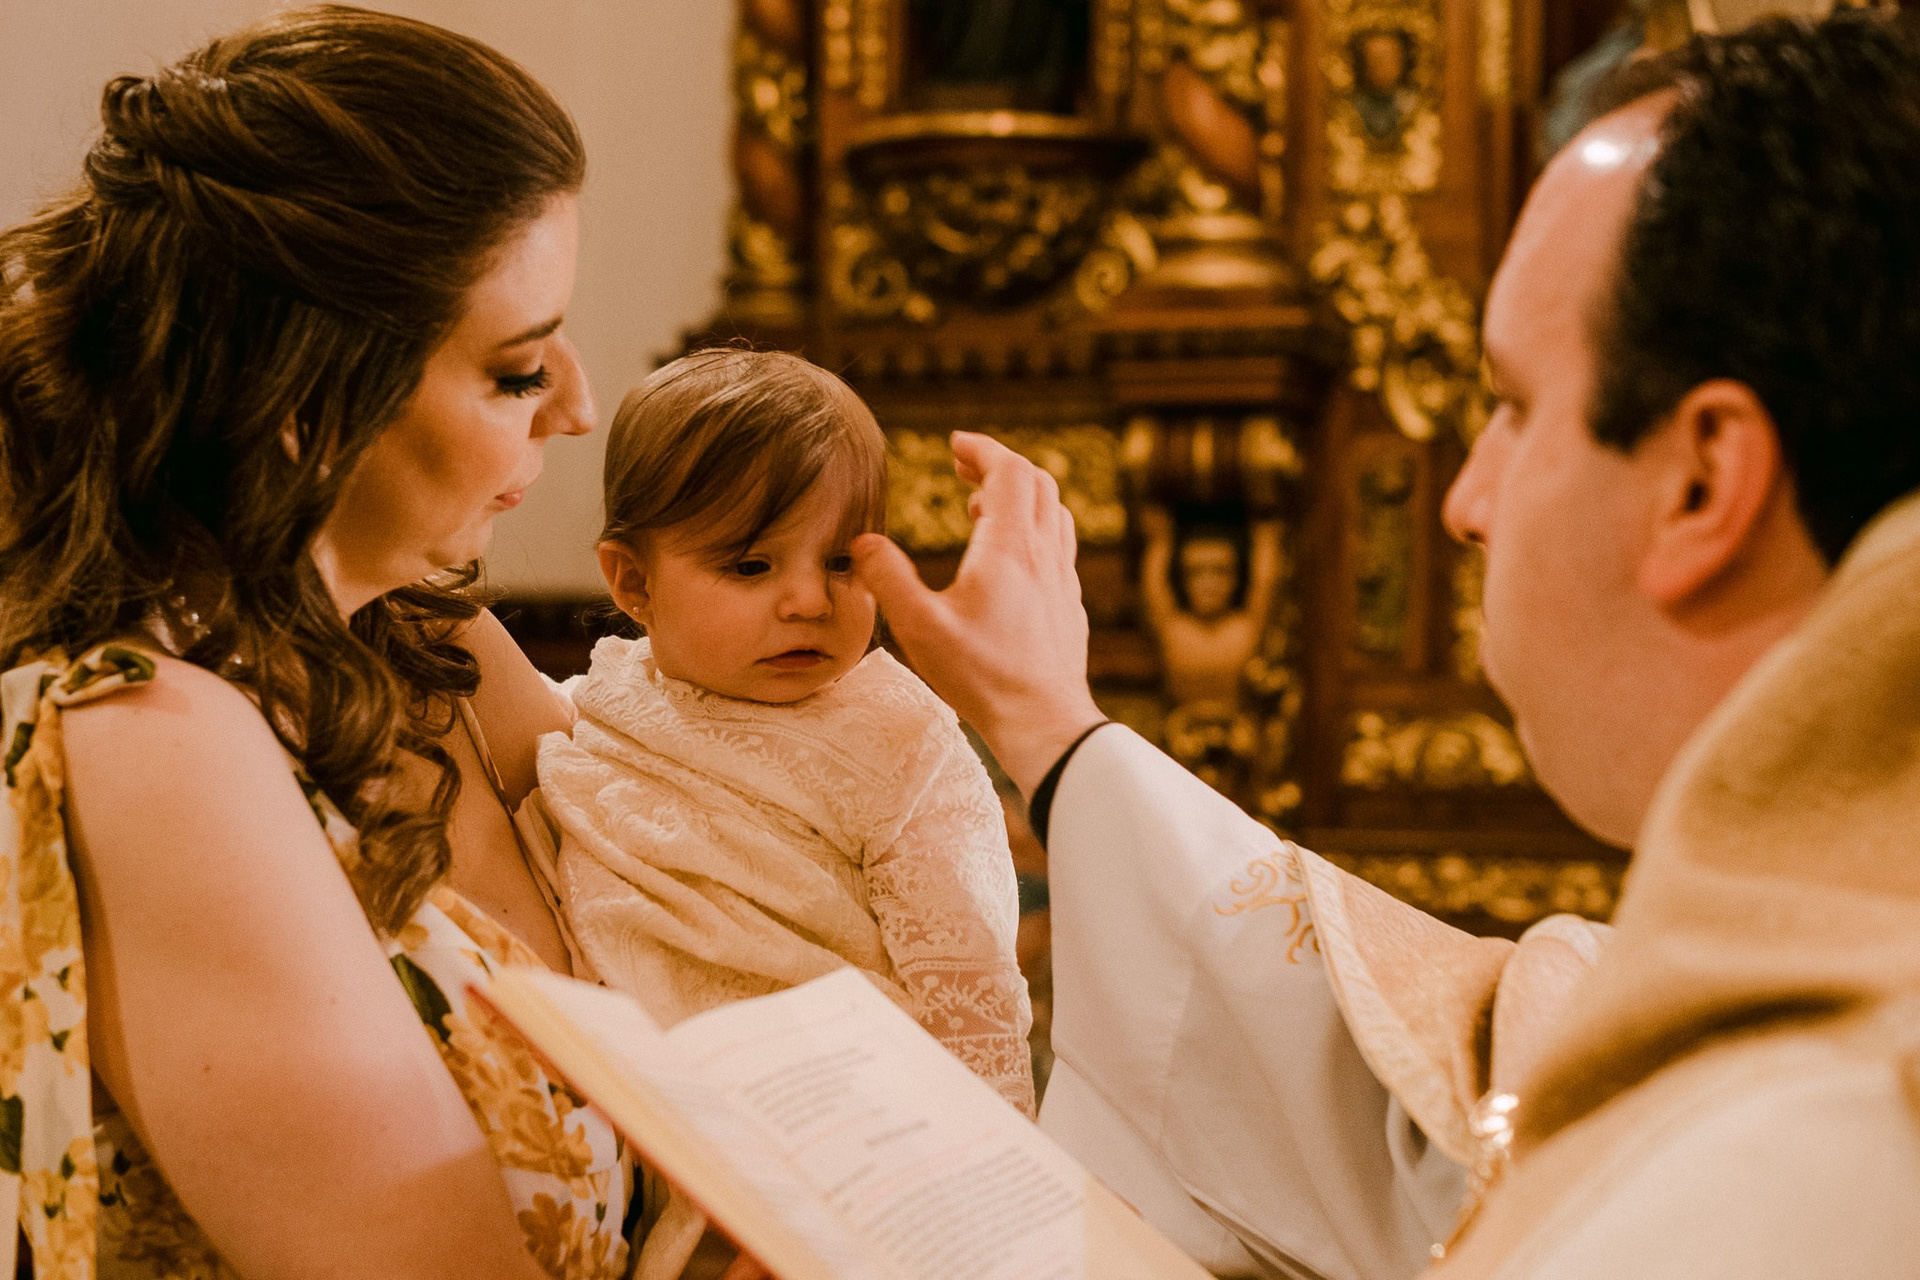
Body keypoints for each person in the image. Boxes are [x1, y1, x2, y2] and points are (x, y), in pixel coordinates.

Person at [853, 11, 1920, 1278]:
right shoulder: (1805, 965)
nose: (1466, 500)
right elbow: (1450, 1105)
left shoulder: (1810, 1154)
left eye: (1514, 405)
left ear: (1702, 482)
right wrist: (1051, 729)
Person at [0, 8, 764, 1278]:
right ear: (305, 398)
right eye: (516, 369)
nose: (579, 406)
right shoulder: (148, 736)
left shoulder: (441, 650)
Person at [530, 349, 1033, 1117]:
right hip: (649, 1107)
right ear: (634, 582)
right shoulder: (603, 703)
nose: (808, 601)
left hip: (853, 1110)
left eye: (842, 562)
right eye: (751, 566)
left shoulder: (900, 741)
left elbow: (971, 988)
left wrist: (989, 1144)